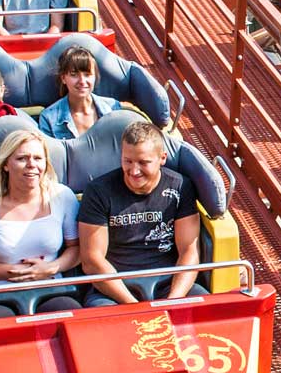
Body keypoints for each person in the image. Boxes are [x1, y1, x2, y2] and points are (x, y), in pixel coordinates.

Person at [0, 128, 82, 319]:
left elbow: (78, 248)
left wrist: (51, 267)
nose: (31, 165)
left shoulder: (62, 196)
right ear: (6, 164)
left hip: (50, 288)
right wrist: (14, 272)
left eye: (38, 158)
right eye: (22, 158)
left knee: (71, 316)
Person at [77, 120, 205, 307]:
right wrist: (133, 305)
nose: (134, 171)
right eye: (127, 161)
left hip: (168, 283)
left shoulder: (180, 187)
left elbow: (189, 251)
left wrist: (173, 300)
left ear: (162, 158)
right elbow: (92, 260)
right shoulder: (99, 191)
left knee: (207, 309)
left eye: (143, 162)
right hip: (115, 288)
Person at [38, 46, 122, 140]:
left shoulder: (113, 108)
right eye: (74, 75)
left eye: (87, 75)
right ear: (63, 78)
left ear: (95, 77)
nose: (82, 81)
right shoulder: (48, 118)